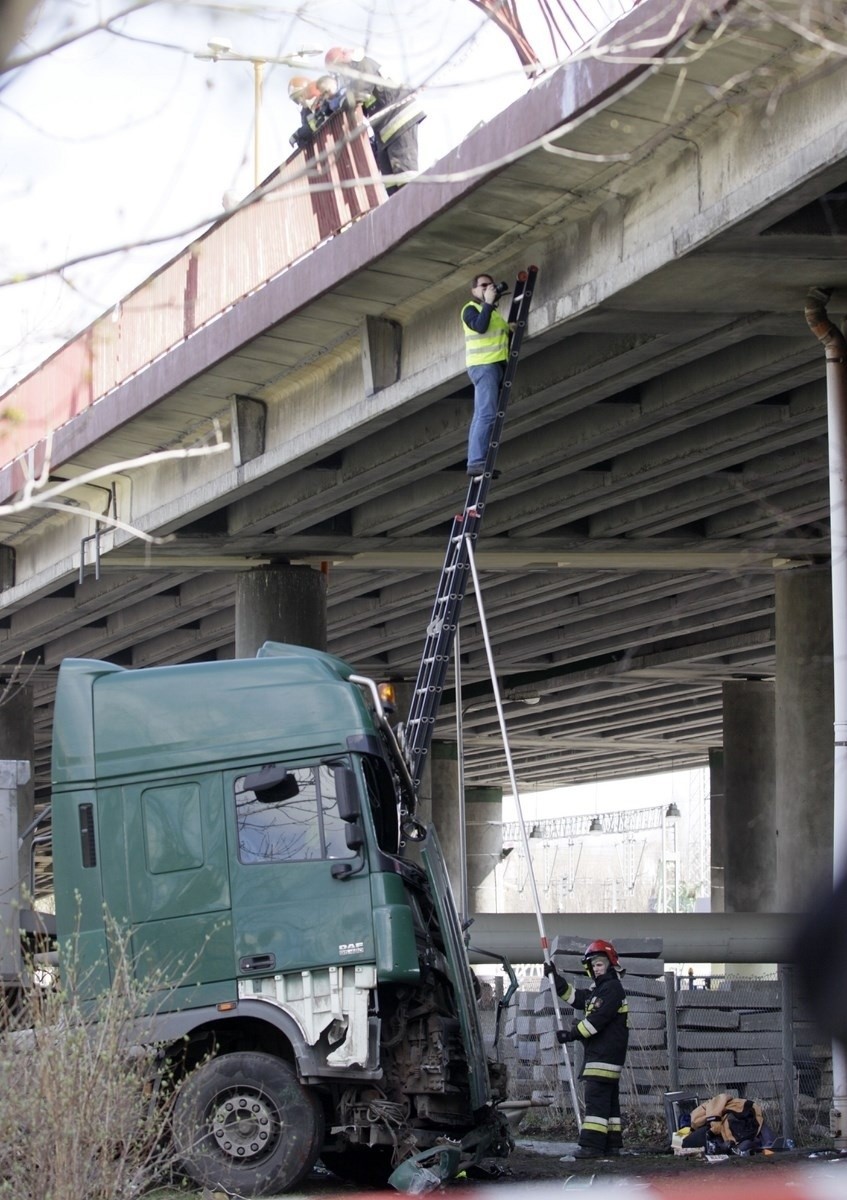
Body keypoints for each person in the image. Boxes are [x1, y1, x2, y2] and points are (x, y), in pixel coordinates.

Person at [544, 939, 630, 1159]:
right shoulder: (600, 990)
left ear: (610, 964)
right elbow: (577, 998)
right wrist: (556, 978)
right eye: (593, 965)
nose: (596, 968)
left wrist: (570, 1035)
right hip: (604, 1055)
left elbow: (596, 1021)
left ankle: (591, 1146)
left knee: (596, 1101)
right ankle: (611, 1145)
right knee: (608, 1104)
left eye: (600, 964)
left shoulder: (611, 989)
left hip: (603, 1056)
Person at [324, 47, 425, 192]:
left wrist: (340, 102)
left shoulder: (363, 66)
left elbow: (358, 95)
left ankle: (418, 208)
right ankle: (400, 210)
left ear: (344, 58)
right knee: (390, 182)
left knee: (405, 174)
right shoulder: (356, 73)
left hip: (399, 121)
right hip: (386, 130)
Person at [461, 273, 511, 475]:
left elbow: (494, 333)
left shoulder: (492, 313)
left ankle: (475, 460)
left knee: (481, 415)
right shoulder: (470, 309)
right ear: (474, 290)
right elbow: (480, 327)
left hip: (492, 367)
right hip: (483, 366)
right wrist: (489, 302)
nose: (488, 288)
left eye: (490, 285)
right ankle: (476, 462)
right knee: (487, 415)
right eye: (483, 285)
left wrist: (510, 329)